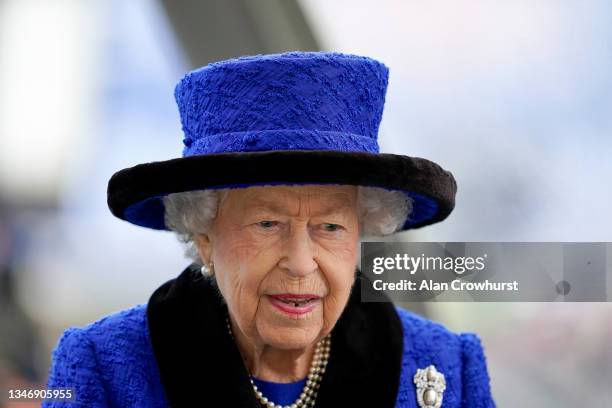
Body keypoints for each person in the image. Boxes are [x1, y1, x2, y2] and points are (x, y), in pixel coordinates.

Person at [44, 51, 495, 407]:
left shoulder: (445, 366)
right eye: (267, 223)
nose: (300, 263)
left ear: (363, 230)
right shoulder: (103, 365)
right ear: (204, 235)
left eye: (330, 226)